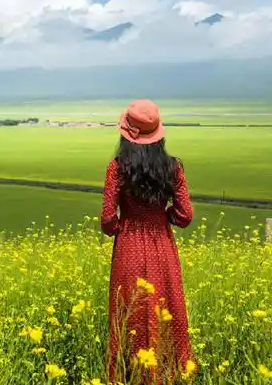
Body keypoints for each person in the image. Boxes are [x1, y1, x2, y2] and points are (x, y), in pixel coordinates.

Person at [101, 99, 198, 384]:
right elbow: (185, 215)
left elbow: (108, 219)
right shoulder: (173, 167)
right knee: (166, 308)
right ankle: (167, 374)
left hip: (128, 247)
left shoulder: (116, 167)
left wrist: (122, 226)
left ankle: (127, 376)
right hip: (162, 248)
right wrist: (163, 215)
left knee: (128, 312)